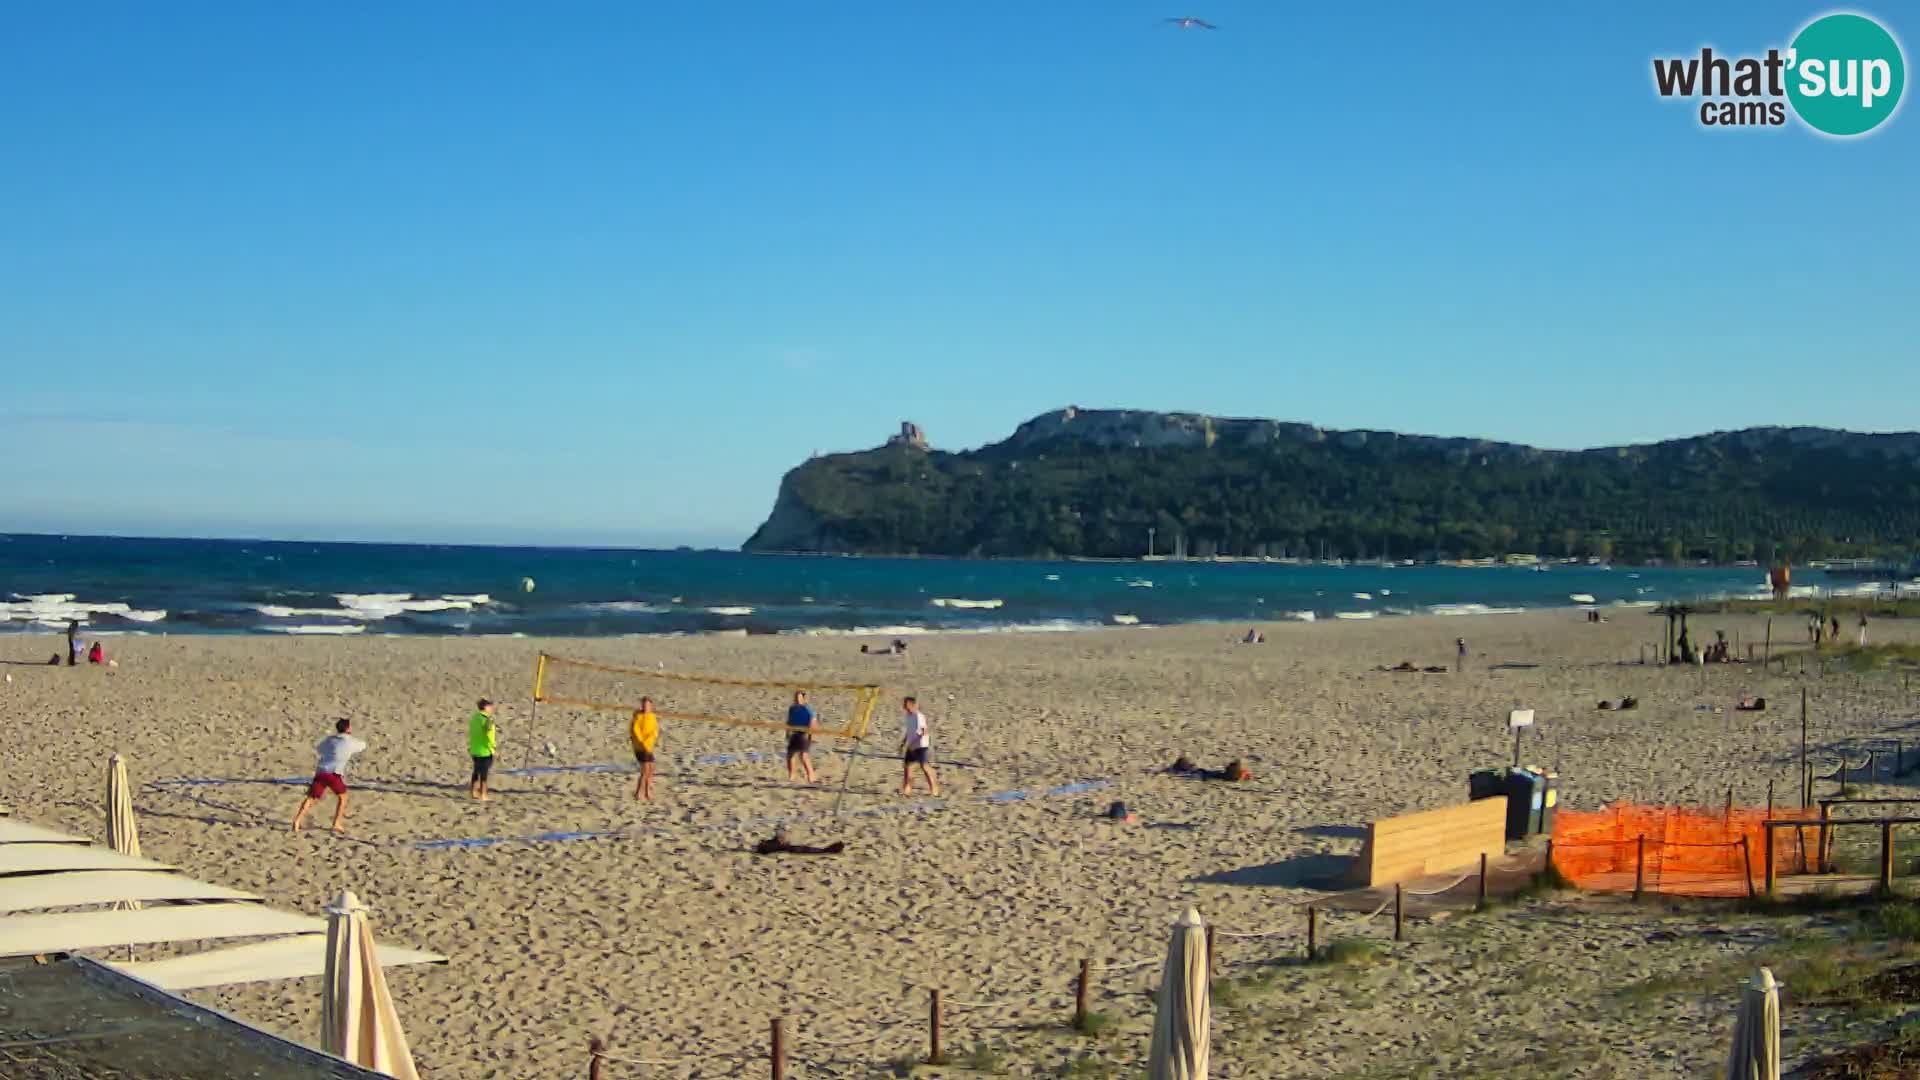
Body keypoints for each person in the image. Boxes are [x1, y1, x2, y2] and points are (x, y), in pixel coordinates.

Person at [292, 718, 367, 834]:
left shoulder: (330, 740)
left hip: (321, 771)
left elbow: (319, 749)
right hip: (333, 773)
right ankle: (337, 822)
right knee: (343, 797)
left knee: (311, 798)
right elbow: (363, 745)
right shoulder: (350, 742)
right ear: (348, 729)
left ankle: (297, 820)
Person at [899, 695, 938, 796]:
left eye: (905, 704)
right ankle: (907, 789)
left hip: (921, 745)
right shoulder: (908, 716)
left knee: (924, 767)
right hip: (911, 745)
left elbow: (924, 731)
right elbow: (909, 731)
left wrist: (915, 742)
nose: (903, 706)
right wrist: (904, 743)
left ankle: (934, 789)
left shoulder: (919, 716)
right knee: (907, 767)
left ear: (911, 704)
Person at [630, 696, 660, 802]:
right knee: (645, 770)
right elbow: (635, 731)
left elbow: (655, 730)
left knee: (651, 769)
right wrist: (643, 742)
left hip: (649, 746)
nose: (645, 707)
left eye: (647, 705)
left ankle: (647, 792)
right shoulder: (638, 716)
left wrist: (650, 741)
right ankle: (639, 793)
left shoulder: (652, 716)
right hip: (641, 747)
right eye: (644, 705)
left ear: (651, 706)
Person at [467, 699, 497, 801]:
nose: (492, 708)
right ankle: (483, 794)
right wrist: (494, 749)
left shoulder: (474, 717)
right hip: (485, 750)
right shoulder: (487, 719)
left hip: (475, 749)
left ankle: (472, 792)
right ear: (485, 707)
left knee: (476, 771)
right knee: (484, 774)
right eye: (490, 706)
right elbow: (489, 735)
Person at [785, 689, 818, 783]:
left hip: (804, 734)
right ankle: (792, 775)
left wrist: (810, 734)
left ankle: (811, 775)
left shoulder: (808, 709)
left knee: (803, 756)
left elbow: (813, 722)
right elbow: (789, 721)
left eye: (799, 698)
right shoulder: (792, 708)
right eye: (796, 698)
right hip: (794, 733)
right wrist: (787, 732)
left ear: (803, 699)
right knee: (790, 755)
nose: (797, 700)